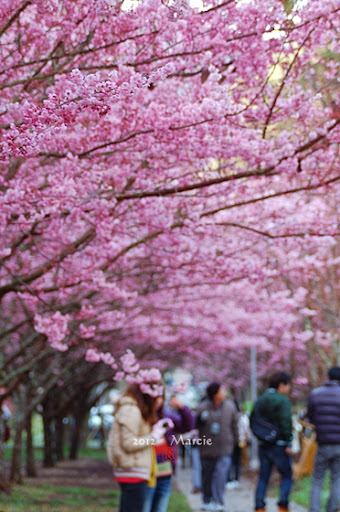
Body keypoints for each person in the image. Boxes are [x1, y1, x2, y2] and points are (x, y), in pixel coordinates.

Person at [107, 383, 168, 512]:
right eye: (157, 397)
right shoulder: (131, 410)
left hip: (133, 469)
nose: (159, 401)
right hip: (132, 469)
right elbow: (129, 443)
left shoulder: (132, 409)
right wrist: (153, 437)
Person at [142, 393, 194, 512]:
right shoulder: (142, 417)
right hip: (147, 473)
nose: (157, 400)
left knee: (160, 509)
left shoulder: (166, 416)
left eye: (160, 396)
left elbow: (187, 426)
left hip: (166, 473)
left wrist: (182, 408)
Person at [253, 371, 293, 512]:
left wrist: (261, 436)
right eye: (287, 385)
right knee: (287, 476)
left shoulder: (261, 399)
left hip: (264, 444)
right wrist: (288, 442)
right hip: (280, 445)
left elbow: (253, 419)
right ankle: (283, 505)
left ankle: (259, 506)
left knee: (263, 477)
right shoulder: (282, 401)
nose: (288, 389)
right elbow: (286, 422)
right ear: (281, 385)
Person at [196, 382, 238, 512]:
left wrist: (235, 441)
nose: (224, 393)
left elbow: (234, 426)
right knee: (207, 476)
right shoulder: (202, 408)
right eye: (222, 390)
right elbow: (195, 425)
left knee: (221, 476)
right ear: (215, 394)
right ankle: (207, 500)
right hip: (207, 449)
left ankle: (219, 501)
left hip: (224, 448)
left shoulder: (230, 407)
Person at [307, 366, 340, 512]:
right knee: (337, 478)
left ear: (328, 377)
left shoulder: (316, 394)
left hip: (323, 442)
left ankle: (314, 509)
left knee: (318, 478)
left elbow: (311, 417)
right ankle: (332, 509)